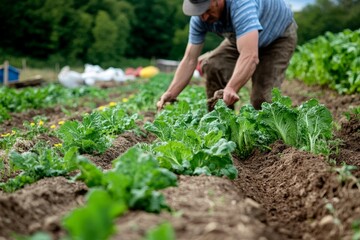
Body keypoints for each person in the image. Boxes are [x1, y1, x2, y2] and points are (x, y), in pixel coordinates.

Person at [157, 0, 297, 111]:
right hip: (241, 38)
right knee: (213, 65)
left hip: (277, 38)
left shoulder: (241, 5)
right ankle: (221, 126)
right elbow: (189, 59)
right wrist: (171, 92)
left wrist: (231, 87)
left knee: (262, 99)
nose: (204, 17)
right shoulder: (200, 19)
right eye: (199, 12)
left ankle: (272, 143)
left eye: (206, 10)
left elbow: (250, 56)